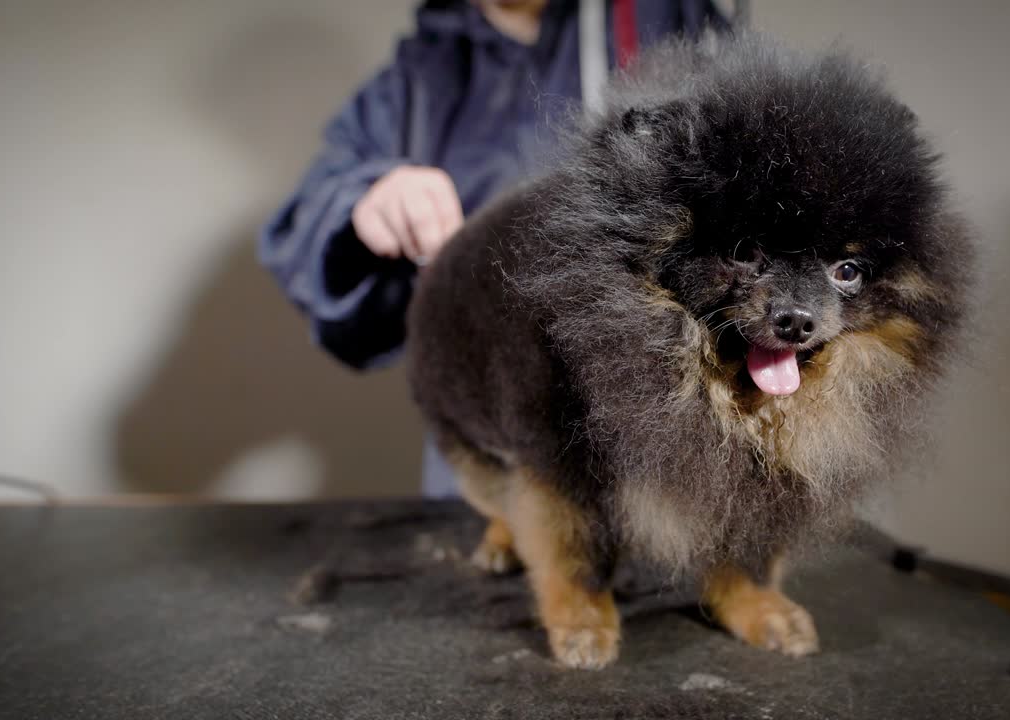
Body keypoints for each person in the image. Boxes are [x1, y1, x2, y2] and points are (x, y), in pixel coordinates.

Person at [258, 0, 730, 496]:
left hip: (648, 448)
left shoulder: (666, 19)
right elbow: (307, 223)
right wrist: (366, 200)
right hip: (485, 450)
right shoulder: (419, 76)